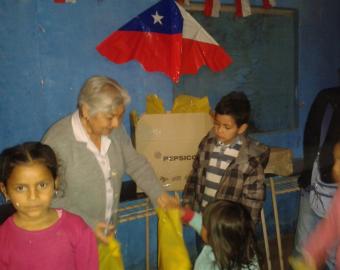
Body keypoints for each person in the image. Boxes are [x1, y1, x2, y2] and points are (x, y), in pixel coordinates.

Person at [42, 75, 173, 243]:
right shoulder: (56, 142)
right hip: (72, 239)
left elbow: (135, 163)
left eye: (120, 116)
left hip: (105, 235)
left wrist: (159, 194)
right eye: (110, 117)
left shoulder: (114, 132)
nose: (117, 124)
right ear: (86, 110)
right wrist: (88, 224)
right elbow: (49, 198)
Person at [0, 142, 98, 270]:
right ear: (5, 190)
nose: (33, 196)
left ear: (55, 183)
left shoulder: (77, 229)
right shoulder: (3, 239)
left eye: (42, 185)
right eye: (21, 188)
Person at [182, 91, 270, 224]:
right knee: (204, 245)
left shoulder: (249, 160)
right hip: (203, 218)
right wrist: (188, 203)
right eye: (216, 124)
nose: (219, 130)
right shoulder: (207, 144)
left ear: (241, 128)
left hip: (227, 226)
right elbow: (194, 175)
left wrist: (244, 229)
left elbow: (253, 200)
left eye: (226, 127)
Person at [294, 87, 340, 269]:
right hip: (316, 181)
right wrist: (311, 253)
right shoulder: (328, 99)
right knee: (303, 245)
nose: (336, 166)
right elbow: (329, 228)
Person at [181, 200, 260, 270]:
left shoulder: (209, 266)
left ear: (214, 236)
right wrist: (187, 214)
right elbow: (201, 224)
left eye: (204, 224)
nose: (201, 225)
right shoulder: (244, 251)